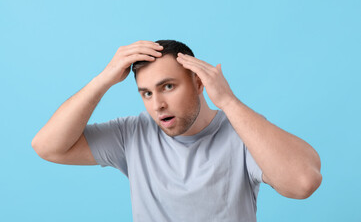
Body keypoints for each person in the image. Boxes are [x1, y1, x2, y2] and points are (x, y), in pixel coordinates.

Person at [32, 39, 322, 222]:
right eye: (146, 93)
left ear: (198, 83)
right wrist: (103, 80)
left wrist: (228, 101)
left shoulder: (241, 132)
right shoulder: (131, 134)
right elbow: (47, 146)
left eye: (167, 87)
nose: (157, 104)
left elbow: (303, 182)